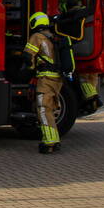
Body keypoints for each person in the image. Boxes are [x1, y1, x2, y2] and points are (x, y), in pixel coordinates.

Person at [24, 12, 62, 154]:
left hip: (45, 79)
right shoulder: (53, 37)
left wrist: (28, 70)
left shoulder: (36, 37)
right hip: (57, 79)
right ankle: (55, 139)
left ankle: (49, 142)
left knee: (43, 110)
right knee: (50, 110)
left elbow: (28, 56)